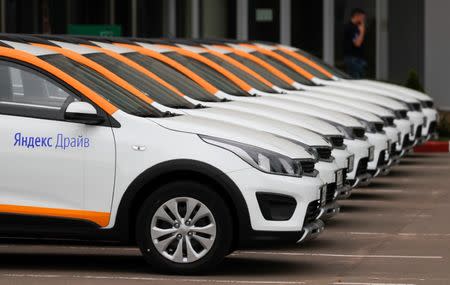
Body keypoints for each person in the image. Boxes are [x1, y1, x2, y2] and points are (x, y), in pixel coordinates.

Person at [344, 8, 367, 79]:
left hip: (356, 57)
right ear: (357, 16)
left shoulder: (355, 27)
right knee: (357, 79)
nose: (363, 20)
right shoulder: (351, 28)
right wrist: (362, 31)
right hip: (353, 58)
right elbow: (357, 43)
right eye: (362, 18)